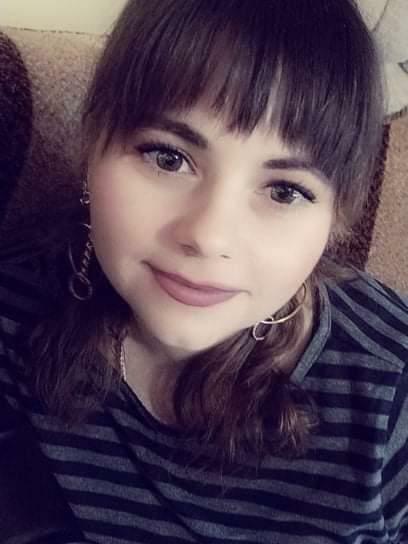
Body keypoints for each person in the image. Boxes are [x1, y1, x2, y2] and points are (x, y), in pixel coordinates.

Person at [1, 0, 408, 542]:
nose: (208, 236)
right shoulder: (15, 309)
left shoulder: (393, 389)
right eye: (168, 158)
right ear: (91, 145)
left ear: (337, 220)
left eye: (284, 191)